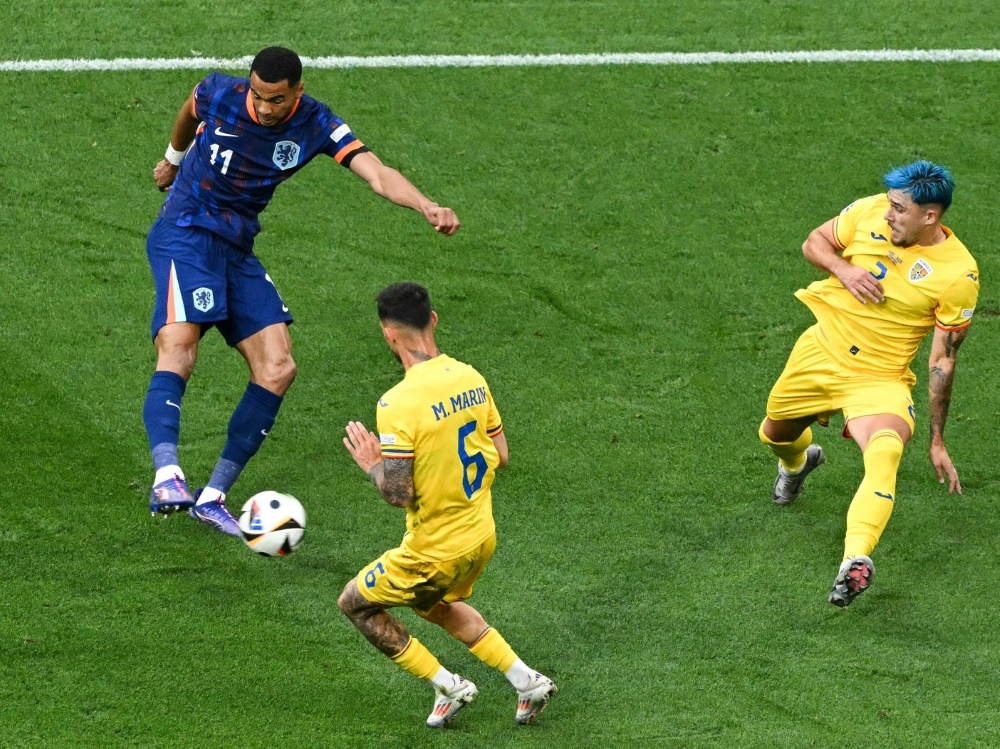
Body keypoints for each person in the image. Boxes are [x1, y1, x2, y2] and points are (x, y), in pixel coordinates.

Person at [143, 47, 460, 535]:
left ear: (297, 92)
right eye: (258, 96)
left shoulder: (315, 123)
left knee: (278, 367)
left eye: (276, 99)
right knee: (180, 345)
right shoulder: (219, 91)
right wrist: (173, 158)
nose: (265, 108)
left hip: (237, 244)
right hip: (186, 230)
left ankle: (212, 497)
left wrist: (425, 205)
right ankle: (168, 477)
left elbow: (375, 172)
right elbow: (190, 107)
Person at [759, 161, 979, 607]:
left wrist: (937, 440)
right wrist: (844, 271)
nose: (888, 214)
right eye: (890, 204)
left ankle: (854, 560)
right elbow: (814, 242)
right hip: (820, 352)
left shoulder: (959, 274)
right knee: (774, 434)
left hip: (880, 378)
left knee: (884, 452)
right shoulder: (869, 211)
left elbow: (942, 361)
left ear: (930, 216)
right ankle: (798, 463)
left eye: (899, 209)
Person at [339, 282, 556, 728]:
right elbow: (502, 454)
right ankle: (526, 681)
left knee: (355, 604)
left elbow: (398, 494)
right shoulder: (471, 377)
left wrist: (372, 463)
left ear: (388, 334)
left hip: (434, 552)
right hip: (481, 536)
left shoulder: (397, 403)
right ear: (433, 320)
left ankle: (448, 685)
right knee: (431, 605)